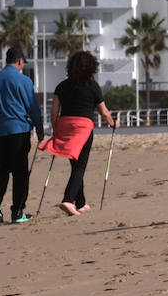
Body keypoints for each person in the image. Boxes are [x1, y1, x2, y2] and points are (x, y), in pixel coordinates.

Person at [39, 50, 117, 215]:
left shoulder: (61, 86)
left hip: (65, 126)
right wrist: (113, 123)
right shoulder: (93, 87)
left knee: (75, 165)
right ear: (91, 68)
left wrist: (56, 130)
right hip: (83, 129)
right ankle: (68, 199)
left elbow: (54, 113)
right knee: (80, 166)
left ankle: (80, 203)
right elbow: (104, 113)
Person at [0, 46, 44, 224]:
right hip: (18, 130)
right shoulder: (23, 80)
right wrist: (39, 129)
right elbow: (32, 106)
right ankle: (17, 212)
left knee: (2, 167)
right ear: (20, 61)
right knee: (20, 172)